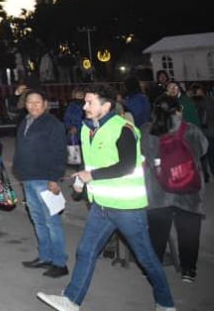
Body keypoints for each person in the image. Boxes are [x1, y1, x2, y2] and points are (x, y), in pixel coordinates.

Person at [37, 85, 175, 311]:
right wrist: (82, 180)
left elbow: (127, 165)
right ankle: (71, 300)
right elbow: (90, 163)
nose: (84, 106)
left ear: (106, 105)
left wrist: (91, 175)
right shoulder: (86, 129)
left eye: (90, 102)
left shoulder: (124, 128)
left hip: (126, 208)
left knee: (146, 258)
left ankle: (166, 303)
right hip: (101, 205)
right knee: (85, 251)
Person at [140, 95, 207, 284]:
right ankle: (188, 270)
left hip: (158, 191)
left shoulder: (147, 130)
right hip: (188, 191)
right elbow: (203, 149)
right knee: (189, 233)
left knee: (157, 233)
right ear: (178, 110)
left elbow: (143, 152)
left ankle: (152, 270)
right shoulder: (191, 130)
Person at [13, 90, 68, 278]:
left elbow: (60, 152)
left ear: (45, 104)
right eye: (30, 102)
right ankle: (45, 256)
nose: (34, 105)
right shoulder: (25, 122)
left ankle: (60, 262)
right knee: (37, 220)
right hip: (28, 178)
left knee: (51, 222)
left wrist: (55, 178)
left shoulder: (53, 124)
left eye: (38, 102)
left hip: (45, 178)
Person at [63, 88, 86, 172]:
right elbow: (67, 118)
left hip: (84, 130)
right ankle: (76, 165)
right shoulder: (71, 106)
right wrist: (70, 127)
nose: (79, 97)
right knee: (74, 149)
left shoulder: (86, 105)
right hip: (74, 132)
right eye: (78, 95)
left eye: (81, 95)